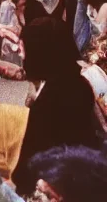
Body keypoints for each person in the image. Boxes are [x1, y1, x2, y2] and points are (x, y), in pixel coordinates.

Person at [11, 17, 101, 195]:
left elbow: (31, 160)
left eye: (25, 49)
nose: (22, 56)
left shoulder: (53, 97)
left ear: (42, 52)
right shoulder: (79, 83)